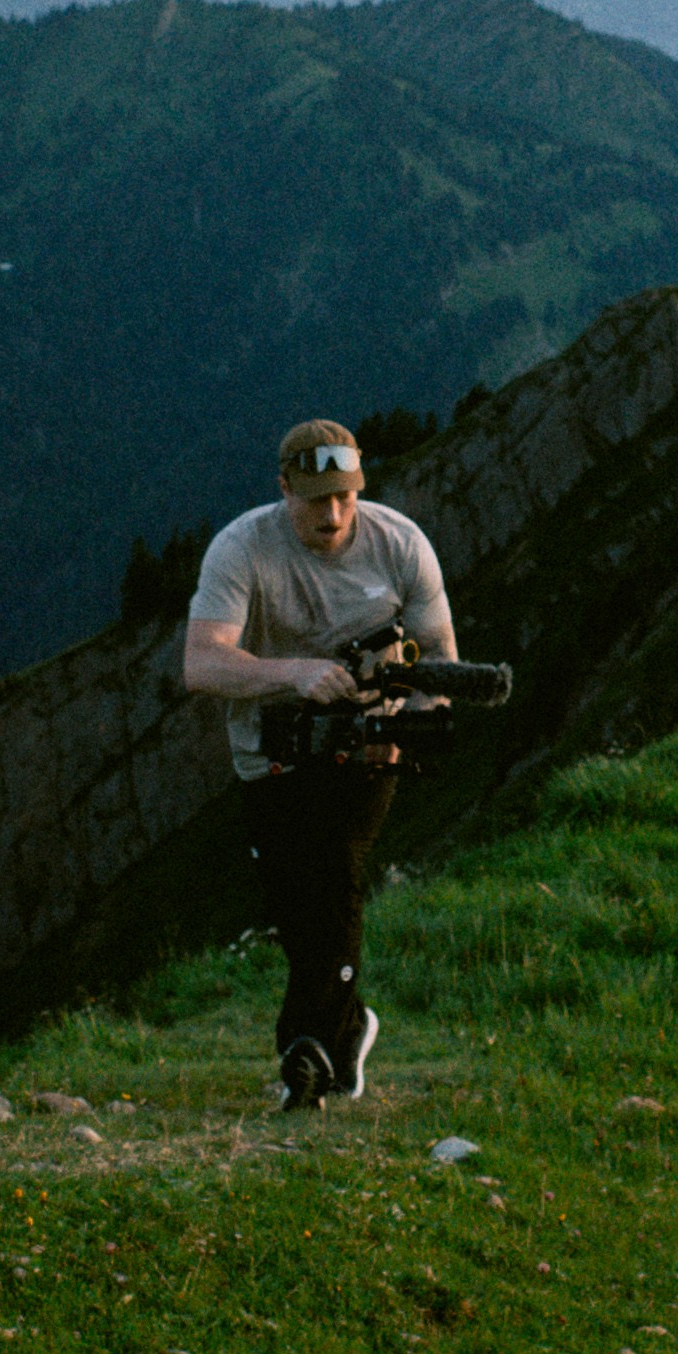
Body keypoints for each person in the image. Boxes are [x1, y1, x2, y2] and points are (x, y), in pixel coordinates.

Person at [182, 418, 459, 1109]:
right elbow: (202, 662)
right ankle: (350, 1024)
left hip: (368, 743)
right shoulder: (241, 549)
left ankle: (303, 1053)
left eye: (345, 496)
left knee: (335, 874)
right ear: (284, 489)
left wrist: (407, 731)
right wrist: (294, 674)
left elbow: (440, 660)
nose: (333, 514)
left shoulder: (402, 546)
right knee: (292, 904)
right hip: (269, 753)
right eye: (314, 500)